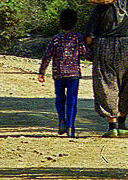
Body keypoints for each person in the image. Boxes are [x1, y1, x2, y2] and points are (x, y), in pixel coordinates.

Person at [84, 0, 128, 137]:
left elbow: (89, 36)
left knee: (106, 84)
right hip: (127, 45)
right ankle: (123, 124)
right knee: (127, 83)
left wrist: (92, 49)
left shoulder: (101, 8)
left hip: (104, 46)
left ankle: (112, 126)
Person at [38, 7, 90, 138]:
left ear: (61, 23)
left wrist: (42, 72)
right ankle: (71, 126)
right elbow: (85, 53)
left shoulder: (56, 39)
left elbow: (47, 55)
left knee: (60, 99)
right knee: (72, 100)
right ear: (75, 23)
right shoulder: (78, 38)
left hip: (59, 73)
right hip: (74, 74)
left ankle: (61, 120)